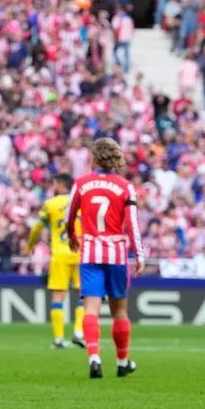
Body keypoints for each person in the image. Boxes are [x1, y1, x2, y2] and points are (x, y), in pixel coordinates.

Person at [67, 138, 146, 380]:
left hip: (90, 252)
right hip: (117, 255)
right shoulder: (125, 187)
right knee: (119, 311)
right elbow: (132, 223)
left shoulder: (81, 184)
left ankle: (94, 358)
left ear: (94, 158)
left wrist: (72, 237)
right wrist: (139, 254)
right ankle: (122, 362)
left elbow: (70, 216)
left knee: (91, 309)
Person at [26, 173, 85, 349]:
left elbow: (36, 228)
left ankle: (58, 339)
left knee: (58, 297)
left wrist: (30, 246)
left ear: (59, 185)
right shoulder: (82, 202)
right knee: (84, 294)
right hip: (80, 253)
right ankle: (78, 332)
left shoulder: (51, 204)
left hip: (59, 255)